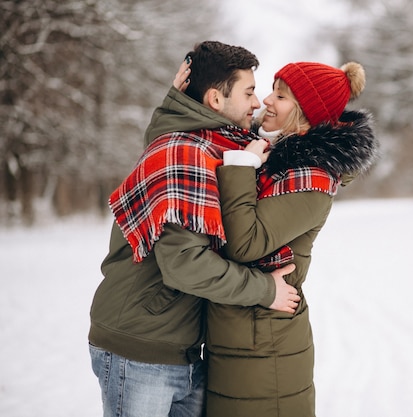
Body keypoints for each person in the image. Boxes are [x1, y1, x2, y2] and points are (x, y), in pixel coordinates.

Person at [88, 40, 301, 417]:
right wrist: (264, 289)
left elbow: (176, 128)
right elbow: (186, 264)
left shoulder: (203, 141)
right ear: (216, 101)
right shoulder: (182, 153)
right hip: (141, 350)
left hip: (180, 346)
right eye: (249, 92)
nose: (257, 103)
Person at [174, 59, 379, 416]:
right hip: (240, 334)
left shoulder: (312, 180)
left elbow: (244, 244)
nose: (267, 100)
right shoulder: (273, 159)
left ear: (303, 112)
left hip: (266, 345)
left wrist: (240, 168)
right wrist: (180, 102)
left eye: (281, 96)